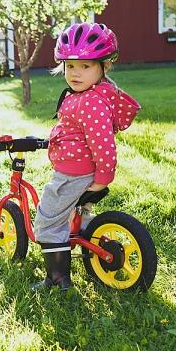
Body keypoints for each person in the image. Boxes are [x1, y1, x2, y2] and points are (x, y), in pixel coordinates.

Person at [33, 23, 141, 291]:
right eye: (70, 66)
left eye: (85, 66)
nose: (75, 73)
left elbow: (103, 144)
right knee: (77, 218)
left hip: (73, 175)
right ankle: (92, 242)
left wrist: (103, 178)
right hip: (77, 170)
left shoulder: (90, 101)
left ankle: (57, 279)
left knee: (47, 220)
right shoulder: (87, 94)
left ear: (104, 67)